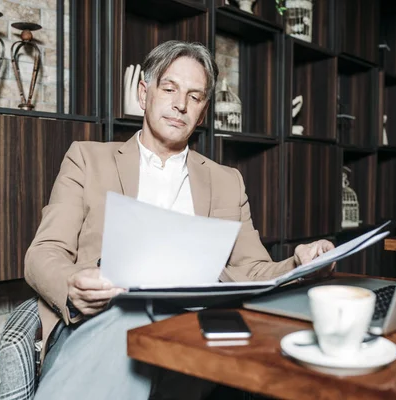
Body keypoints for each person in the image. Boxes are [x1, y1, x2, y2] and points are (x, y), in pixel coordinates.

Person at [25, 40, 335, 399]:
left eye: (194, 96)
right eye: (169, 88)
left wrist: (300, 263)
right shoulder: (87, 159)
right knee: (136, 324)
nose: (180, 105)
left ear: (202, 113)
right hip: (106, 318)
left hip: (196, 327)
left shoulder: (226, 181)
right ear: (144, 93)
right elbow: (42, 253)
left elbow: (252, 269)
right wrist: (73, 283)